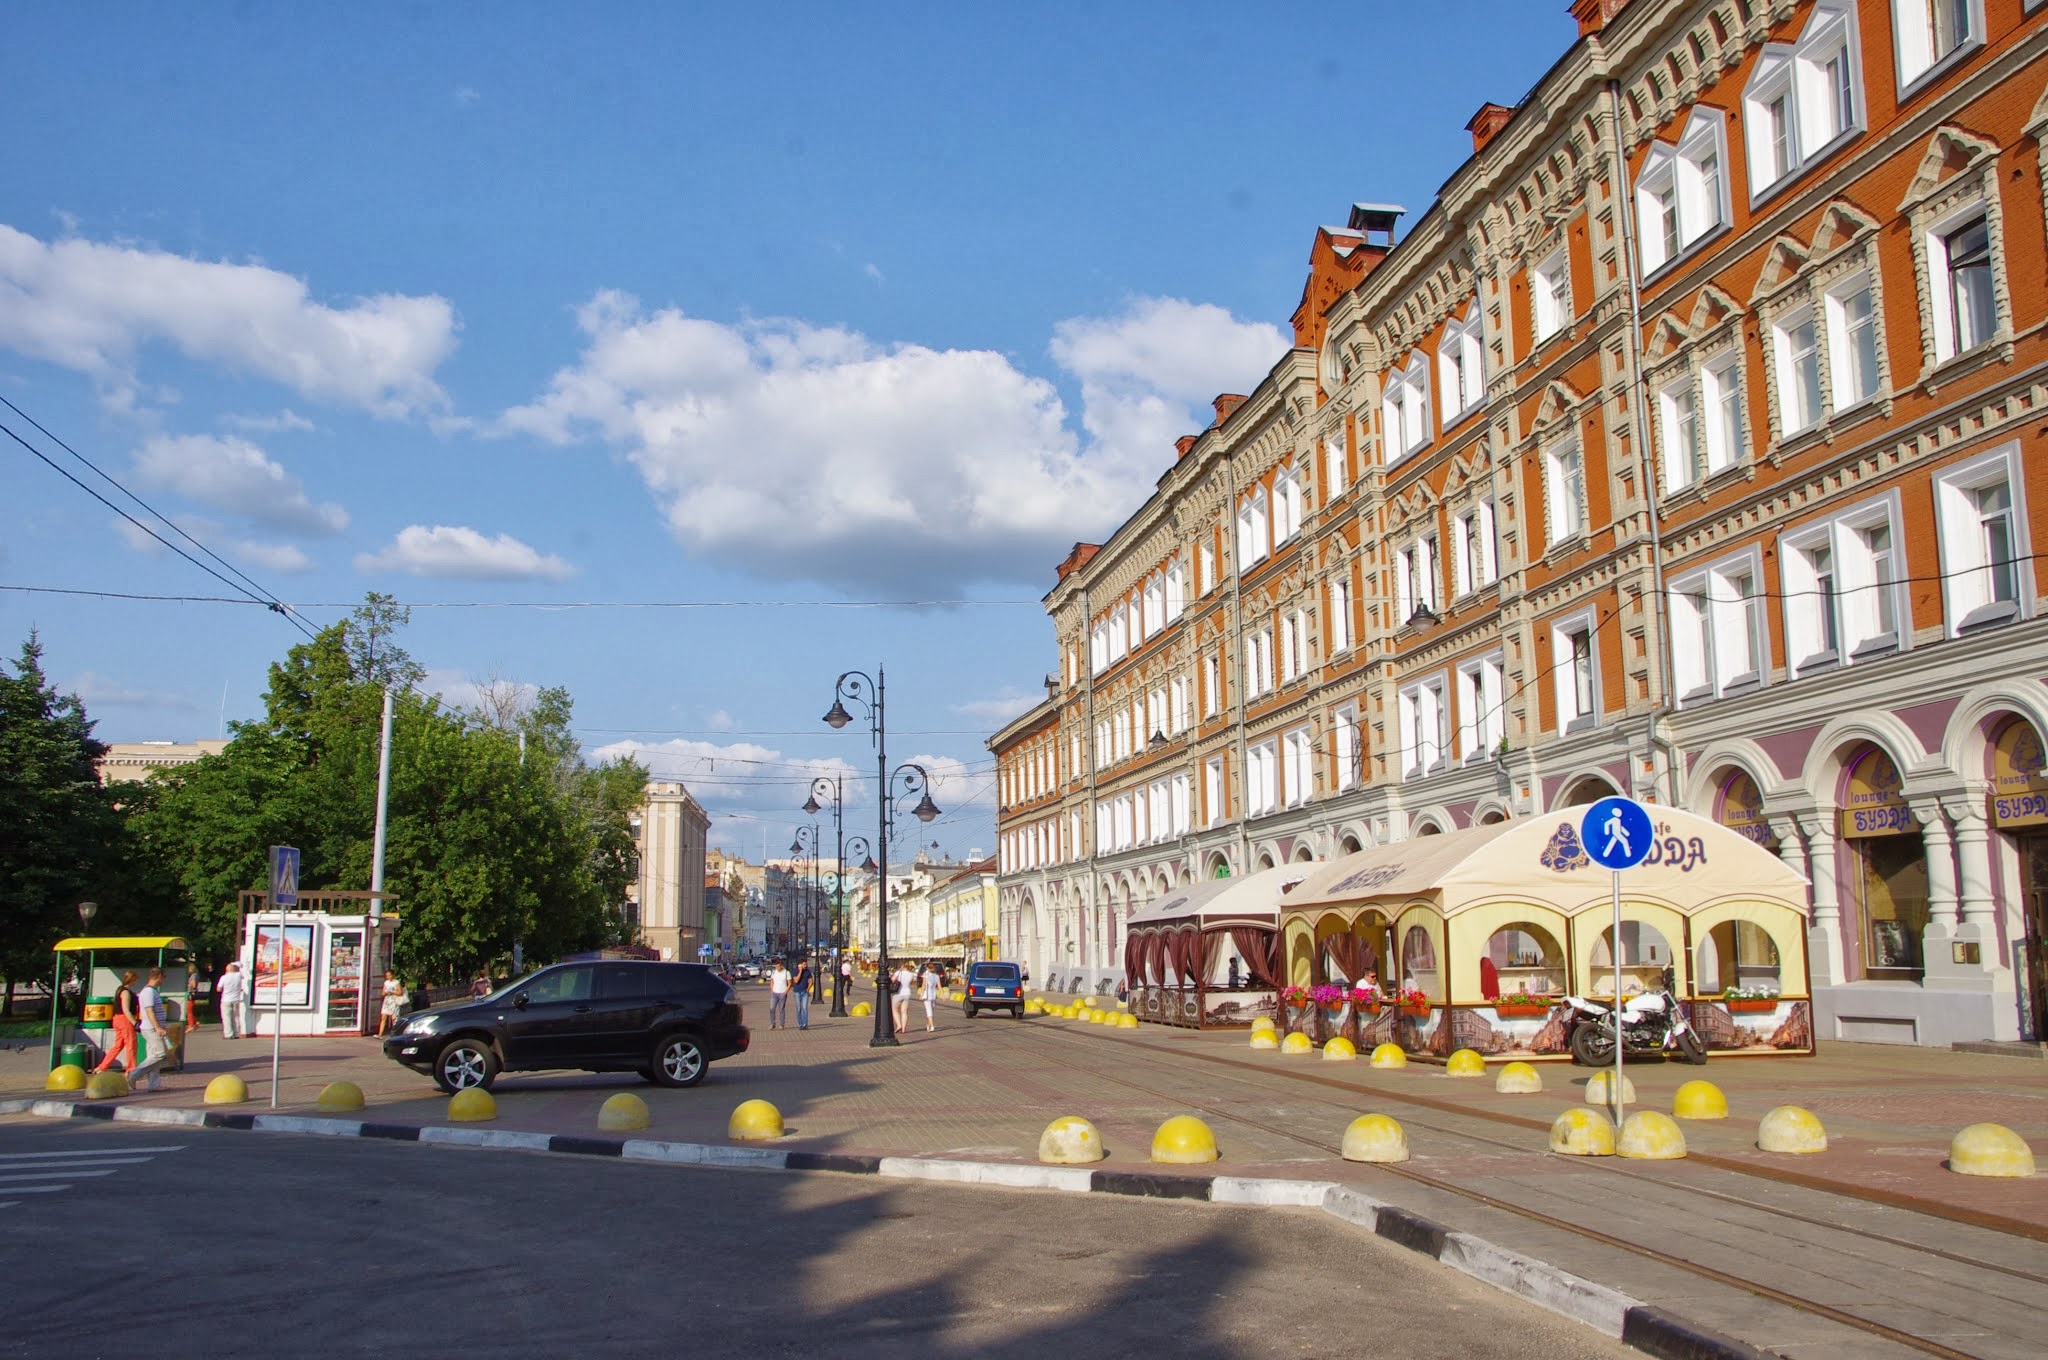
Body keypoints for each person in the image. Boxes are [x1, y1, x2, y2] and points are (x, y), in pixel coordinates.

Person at [128, 968, 171, 1092]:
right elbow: (149, 1011)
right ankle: (135, 1074)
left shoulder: (152, 991)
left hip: (153, 1027)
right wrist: (157, 1027)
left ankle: (154, 1085)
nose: (163, 980)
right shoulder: (148, 992)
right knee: (160, 1054)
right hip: (151, 1028)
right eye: (163, 977)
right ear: (159, 977)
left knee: (153, 1056)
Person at [92, 970, 140, 1076]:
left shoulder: (119, 990)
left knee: (118, 1045)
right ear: (132, 980)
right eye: (135, 980)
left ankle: (101, 1067)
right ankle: (131, 1069)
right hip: (125, 1020)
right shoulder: (126, 992)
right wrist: (135, 1023)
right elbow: (126, 1009)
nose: (136, 982)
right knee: (131, 1044)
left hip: (117, 1019)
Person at [216, 961, 248, 1040]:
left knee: (226, 1017)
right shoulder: (238, 975)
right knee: (236, 1017)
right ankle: (237, 1033)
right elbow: (241, 966)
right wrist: (235, 964)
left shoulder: (224, 977)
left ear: (226, 970)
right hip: (236, 999)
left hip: (226, 999)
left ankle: (228, 1034)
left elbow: (218, 989)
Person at [377, 971, 407, 1037]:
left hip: (394, 1001)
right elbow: (383, 993)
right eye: (387, 976)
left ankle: (395, 1033)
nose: (388, 977)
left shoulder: (396, 982)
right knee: (383, 1017)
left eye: (389, 975)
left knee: (394, 1018)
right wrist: (385, 993)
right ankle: (380, 1034)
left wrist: (392, 992)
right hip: (387, 1001)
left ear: (393, 975)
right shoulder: (386, 983)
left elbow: (400, 993)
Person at [890, 961, 914, 1034]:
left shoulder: (898, 973)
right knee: (904, 1012)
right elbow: (911, 982)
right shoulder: (911, 974)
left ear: (903, 966)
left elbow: (892, 980)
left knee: (895, 1010)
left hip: (898, 993)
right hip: (907, 993)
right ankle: (903, 1028)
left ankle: (899, 1025)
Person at [767, 959, 791, 1029]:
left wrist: (785, 992)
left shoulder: (786, 972)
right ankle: (772, 1023)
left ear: (781, 966)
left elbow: (789, 983)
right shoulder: (774, 972)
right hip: (774, 993)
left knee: (781, 1009)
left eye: (778, 966)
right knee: (772, 1008)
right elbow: (772, 981)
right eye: (776, 967)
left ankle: (781, 1024)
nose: (777, 968)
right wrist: (772, 989)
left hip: (782, 993)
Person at [791, 957, 813, 1030]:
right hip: (797, 992)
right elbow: (796, 981)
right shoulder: (795, 971)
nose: (805, 966)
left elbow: (811, 981)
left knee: (804, 1008)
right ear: (800, 965)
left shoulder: (808, 971)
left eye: (806, 964)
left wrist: (807, 989)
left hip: (804, 992)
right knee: (798, 1008)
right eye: (804, 964)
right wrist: (800, 971)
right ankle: (800, 1024)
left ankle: (805, 1024)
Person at [919, 961, 941, 1032]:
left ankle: (931, 1025)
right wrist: (943, 994)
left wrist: (921, 994)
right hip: (933, 995)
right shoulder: (936, 975)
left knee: (929, 1010)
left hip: (927, 994)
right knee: (931, 1010)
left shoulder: (926, 974)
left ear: (928, 968)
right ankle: (929, 1025)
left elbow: (924, 985)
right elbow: (939, 986)